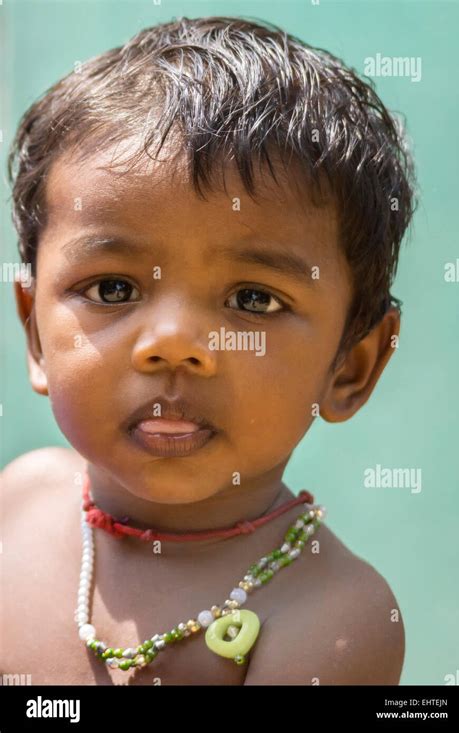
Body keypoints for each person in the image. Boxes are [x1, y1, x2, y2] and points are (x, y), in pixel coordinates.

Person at [1, 15, 417, 685]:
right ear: (36, 334)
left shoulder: (333, 618)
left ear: (352, 365)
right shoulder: (17, 502)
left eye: (254, 299)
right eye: (112, 287)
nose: (174, 344)